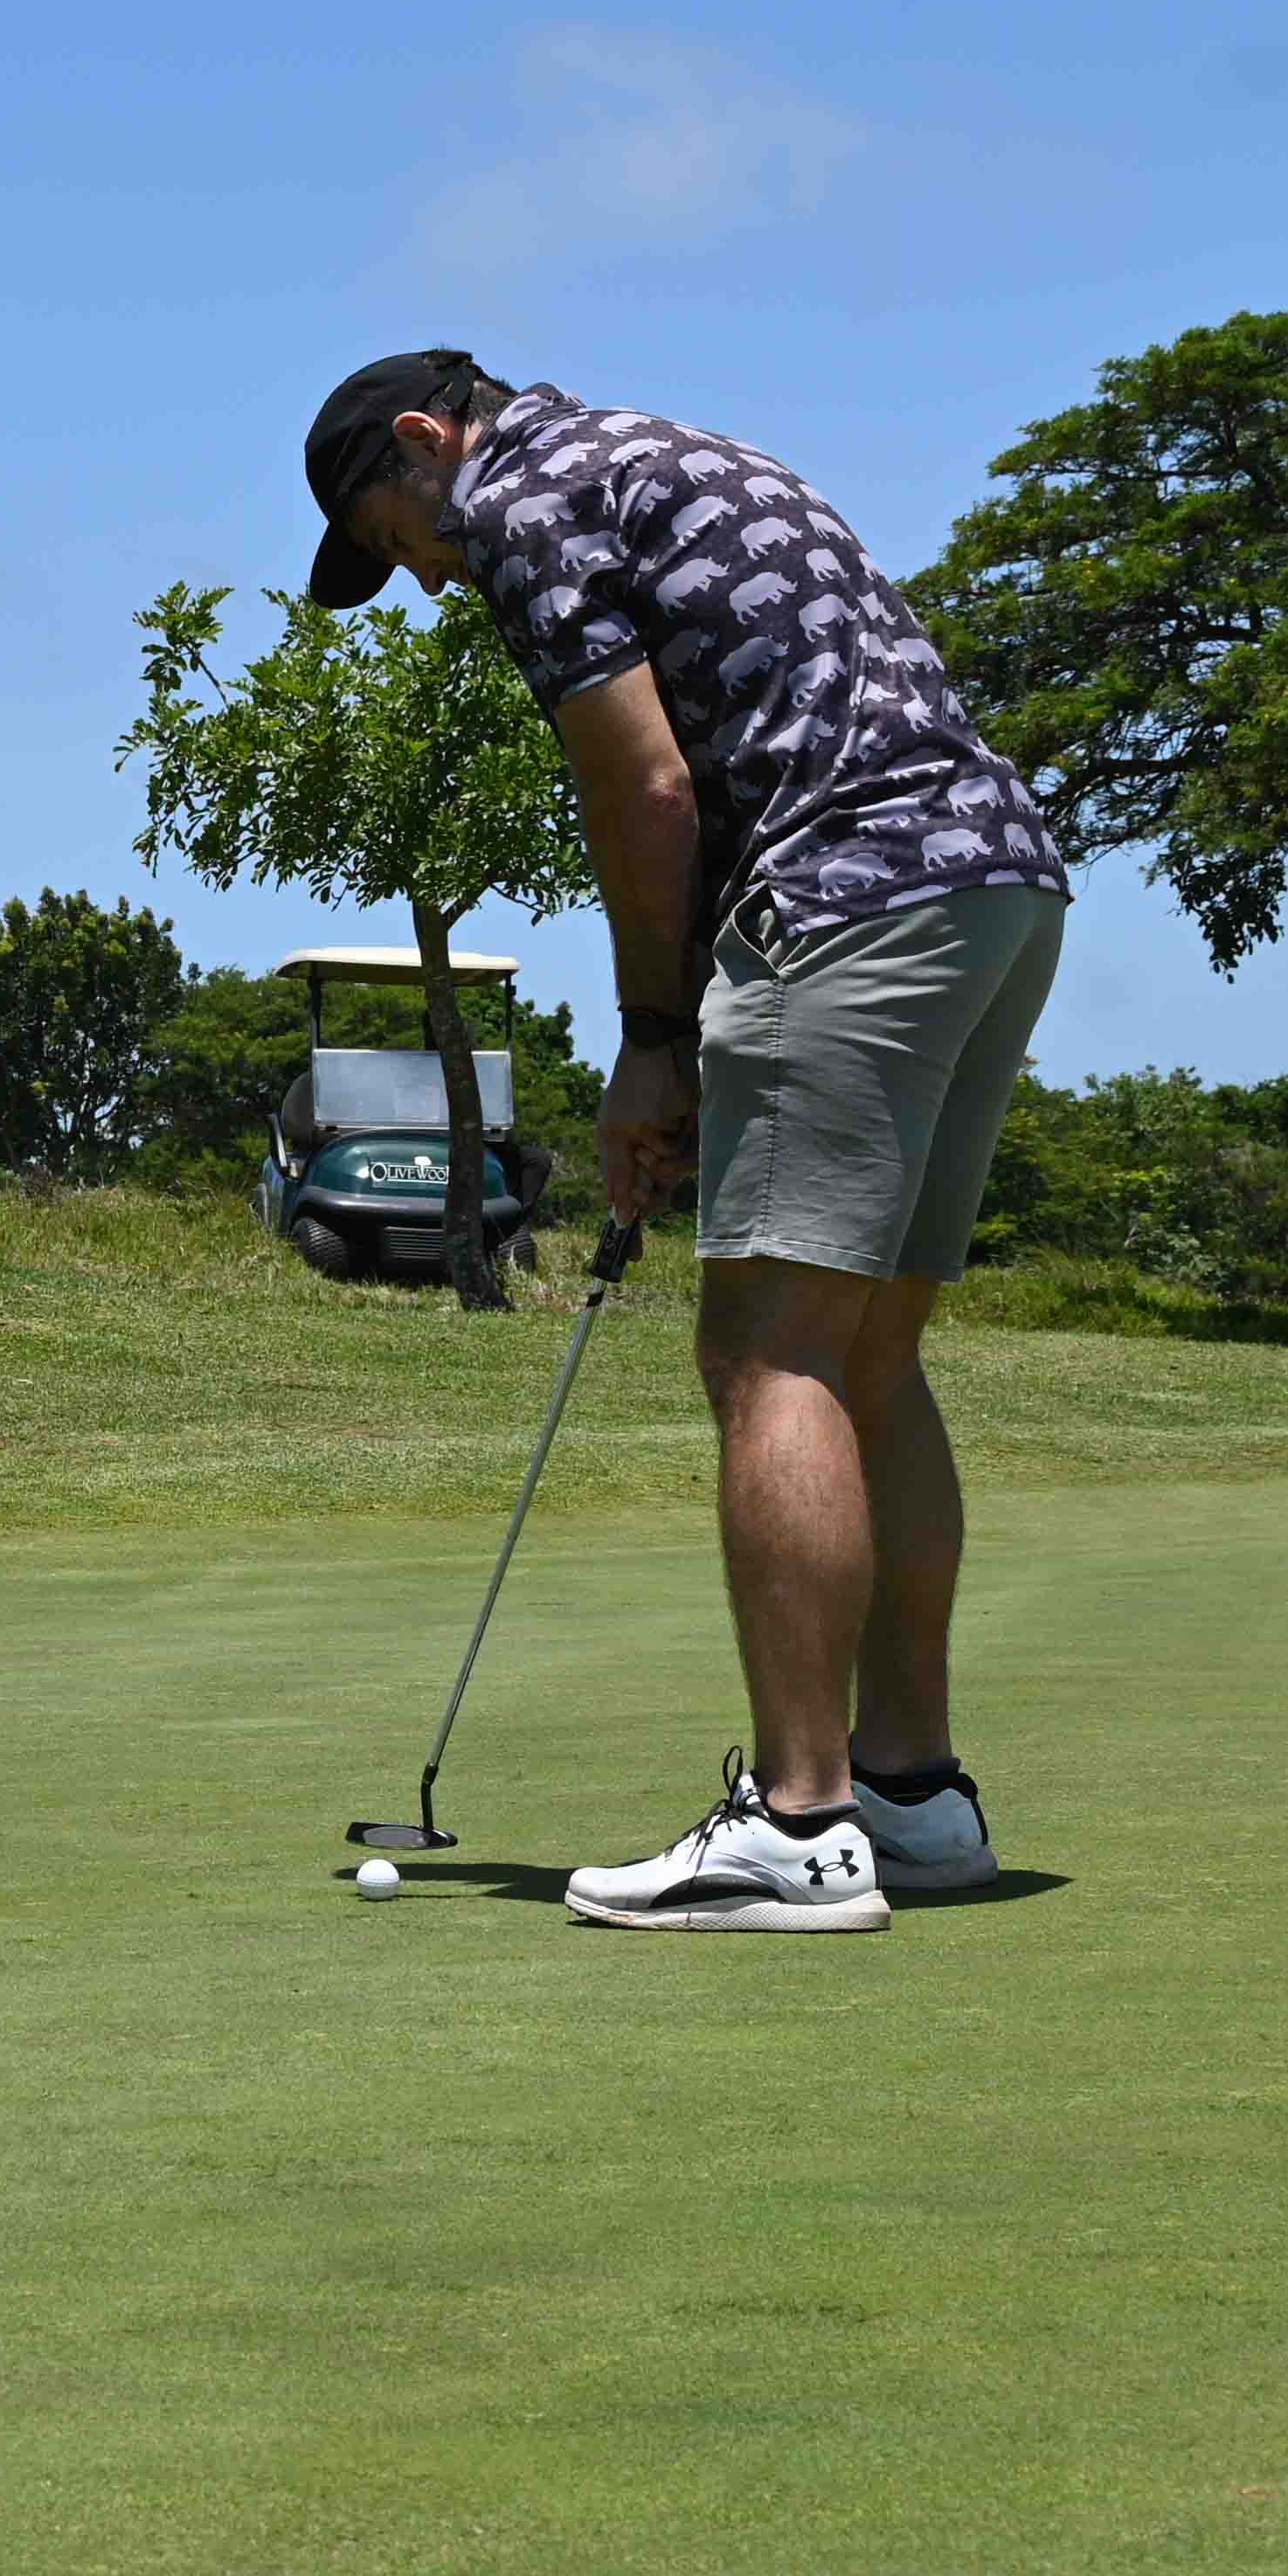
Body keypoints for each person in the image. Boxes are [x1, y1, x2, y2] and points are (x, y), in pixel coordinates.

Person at [302, 350, 1069, 1934]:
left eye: (396, 537)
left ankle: (800, 1825)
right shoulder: (663, 449)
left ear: (428, 443)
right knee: (868, 1359)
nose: (430, 578)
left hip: (844, 889)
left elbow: (643, 785)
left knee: (769, 1354)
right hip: (991, 885)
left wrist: (654, 1041)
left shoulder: (517, 502)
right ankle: (911, 1800)